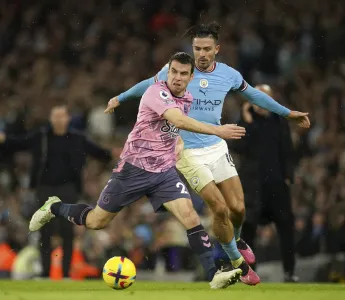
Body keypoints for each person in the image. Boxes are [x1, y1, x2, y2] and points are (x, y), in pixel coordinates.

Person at [105, 22, 310, 285]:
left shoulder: (228, 75)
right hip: (186, 150)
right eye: (197, 48)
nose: (201, 53)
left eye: (206, 49)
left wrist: (287, 112)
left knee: (238, 208)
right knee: (219, 207)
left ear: (217, 49)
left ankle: (235, 239)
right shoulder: (179, 71)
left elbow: (256, 96)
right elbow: (147, 84)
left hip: (216, 145)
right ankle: (238, 263)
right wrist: (120, 98)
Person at [29, 52, 245, 289]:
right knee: (96, 221)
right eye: (174, 72)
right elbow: (177, 120)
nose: (178, 77)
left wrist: (179, 144)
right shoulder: (156, 92)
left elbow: (177, 128)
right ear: (168, 72)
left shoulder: (188, 99)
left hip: (163, 173)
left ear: (191, 77)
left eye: (184, 74)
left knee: (191, 217)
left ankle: (214, 275)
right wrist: (217, 130)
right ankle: (54, 206)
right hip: (132, 170)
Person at [0, 105, 115, 279]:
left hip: (68, 188)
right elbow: (20, 142)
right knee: (44, 230)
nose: (58, 119)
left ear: (68, 119)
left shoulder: (77, 138)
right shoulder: (41, 136)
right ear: (51, 119)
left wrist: (112, 154)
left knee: (66, 231)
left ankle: (65, 273)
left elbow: (97, 152)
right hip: (44, 187)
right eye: (55, 116)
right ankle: (46, 273)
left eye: (62, 116)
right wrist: (5, 139)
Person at [238, 84, 298, 282]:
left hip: (276, 185)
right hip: (253, 187)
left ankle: (289, 272)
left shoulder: (280, 121)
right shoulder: (245, 122)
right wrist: (248, 121)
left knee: (287, 227)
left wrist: (288, 176)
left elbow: (288, 151)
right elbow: (240, 146)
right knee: (248, 229)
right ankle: (249, 272)